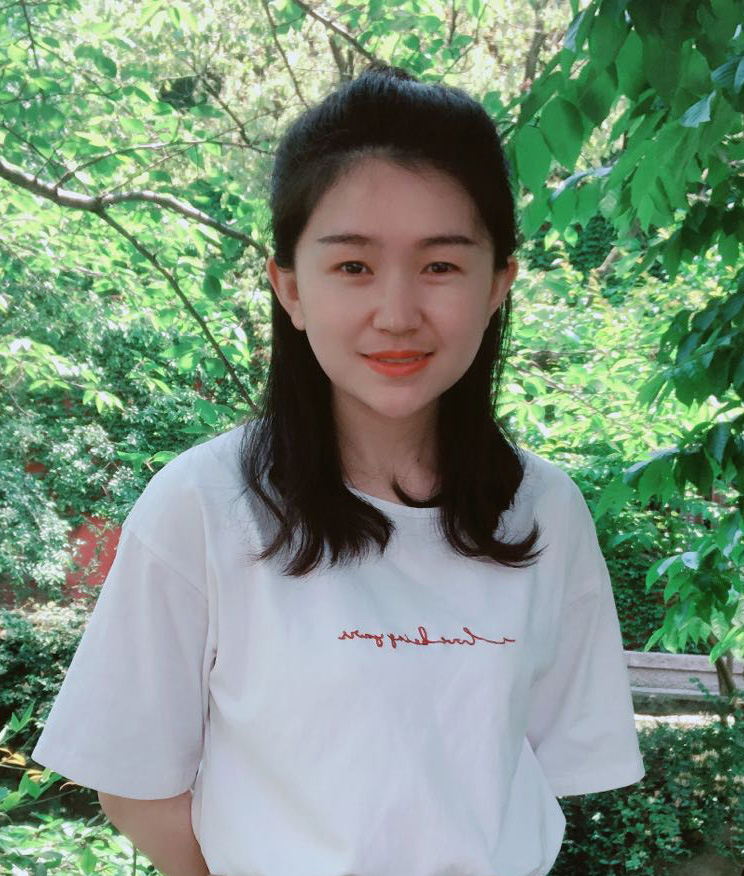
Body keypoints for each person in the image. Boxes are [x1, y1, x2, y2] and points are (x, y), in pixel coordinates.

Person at [31, 61, 645, 876]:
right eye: (353, 266)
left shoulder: (545, 510)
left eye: (441, 265)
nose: (397, 314)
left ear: (499, 283)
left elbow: (539, 765)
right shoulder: (204, 504)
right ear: (289, 287)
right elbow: (135, 783)